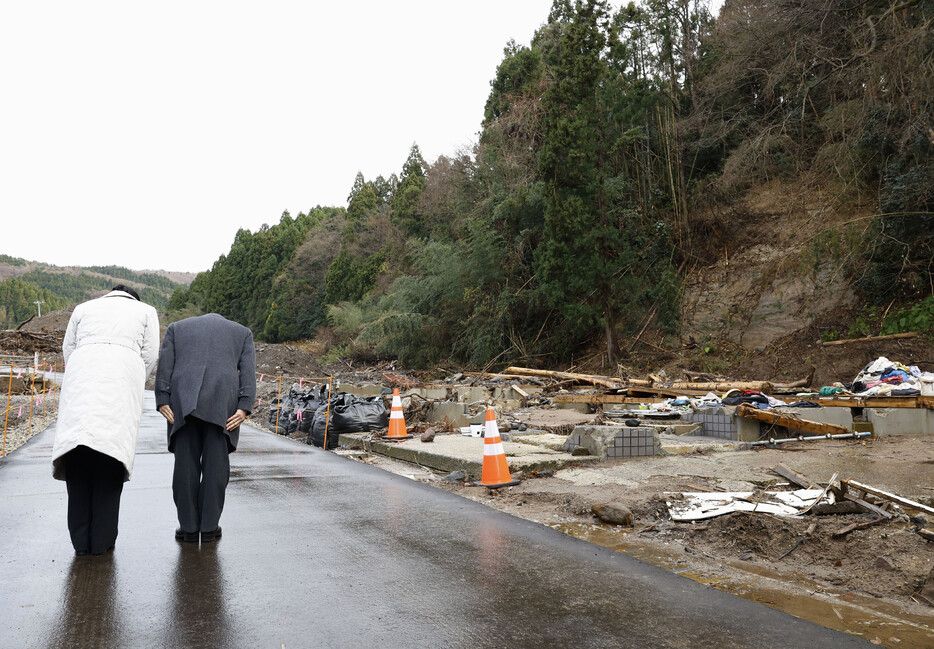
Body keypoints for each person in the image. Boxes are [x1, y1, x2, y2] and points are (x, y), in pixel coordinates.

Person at [52, 285, 160, 556]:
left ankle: (80, 543)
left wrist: (81, 369)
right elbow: (150, 355)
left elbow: (68, 349)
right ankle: (101, 543)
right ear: (134, 297)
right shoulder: (146, 312)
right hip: (120, 387)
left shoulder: (83, 309)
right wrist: (133, 374)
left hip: (81, 381)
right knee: (110, 462)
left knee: (77, 459)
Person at [155, 313, 255, 543]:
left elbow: (165, 365)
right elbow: (248, 373)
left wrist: (162, 398)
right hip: (223, 405)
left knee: (185, 466)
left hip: (183, 402)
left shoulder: (176, 328)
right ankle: (209, 528)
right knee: (216, 466)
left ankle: (189, 528)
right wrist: (244, 406)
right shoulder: (242, 332)